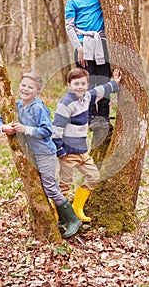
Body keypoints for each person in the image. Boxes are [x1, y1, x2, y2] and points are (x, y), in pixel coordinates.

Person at [0, 72, 81, 238]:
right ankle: (62, 218)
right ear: (19, 86)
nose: (25, 89)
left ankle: (73, 219)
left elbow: (47, 130)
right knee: (43, 186)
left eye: (30, 87)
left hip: (45, 153)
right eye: (24, 85)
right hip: (32, 153)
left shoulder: (38, 108)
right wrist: (3, 127)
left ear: (37, 92)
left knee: (49, 186)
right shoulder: (17, 105)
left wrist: (26, 129)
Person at [65, 0, 131, 130]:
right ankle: (90, 116)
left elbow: (117, 7)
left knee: (103, 80)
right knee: (86, 82)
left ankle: (103, 117)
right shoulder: (72, 1)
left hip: (101, 44)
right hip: (83, 45)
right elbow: (69, 26)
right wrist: (78, 47)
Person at [52, 67, 121, 222]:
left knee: (93, 176)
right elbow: (56, 129)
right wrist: (60, 149)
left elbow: (101, 90)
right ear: (69, 85)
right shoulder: (65, 104)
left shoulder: (87, 97)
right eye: (76, 83)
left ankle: (77, 207)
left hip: (83, 151)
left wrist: (115, 83)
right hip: (68, 152)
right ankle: (58, 214)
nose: (80, 87)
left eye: (83, 83)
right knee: (64, 184)